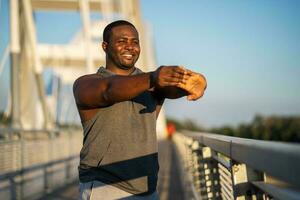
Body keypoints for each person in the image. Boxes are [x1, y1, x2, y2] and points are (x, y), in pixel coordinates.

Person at [73, 20, 207, 200]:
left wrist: (195, 83)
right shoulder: (86, 83)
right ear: (105, 46)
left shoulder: (152, 85)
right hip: (105, 187)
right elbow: (108, 90)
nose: (130, 47)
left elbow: (173, 89)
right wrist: (153, 77)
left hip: (148, 189)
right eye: (121, 41)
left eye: (135, 42)